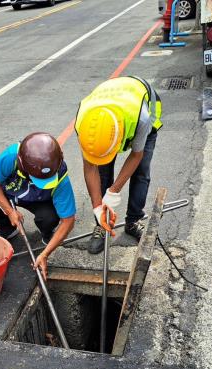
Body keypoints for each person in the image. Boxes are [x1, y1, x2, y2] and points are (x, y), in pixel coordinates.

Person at [0, 132, 76, 278]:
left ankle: (47, 235)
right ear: (23, 166)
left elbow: (68, 221)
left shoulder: (61, 176)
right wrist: (9, 211)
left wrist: (45, 254)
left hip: (39, 199)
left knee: (49, 217)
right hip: (10, 191)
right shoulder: (12, 156)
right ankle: (6, 226)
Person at [75, 75, 162, 254]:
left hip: (143, 109)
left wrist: (113, 192)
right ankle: (102, 223)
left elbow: (136, 156)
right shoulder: (84, 123)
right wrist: (98, 207)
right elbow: (90, 167)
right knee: (103, 172)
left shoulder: (141, 118)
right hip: (108, 113)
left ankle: (133, 220)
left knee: (141, 171)